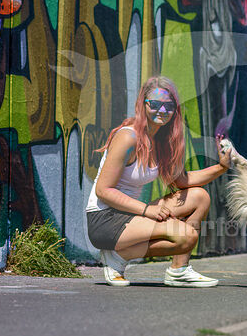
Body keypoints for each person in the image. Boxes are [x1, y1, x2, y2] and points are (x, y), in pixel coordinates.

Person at [85, 76, 231, 287]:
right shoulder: (128, 138)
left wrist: (221, 167)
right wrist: (147, 210)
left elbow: (181, 180)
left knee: (199, 197)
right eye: (154, 104)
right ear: (142, 104)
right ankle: (117, 257)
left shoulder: (161, 140)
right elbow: (103, 190)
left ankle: (179, 270)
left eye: (168, 106)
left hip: (132, 214)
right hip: (104, 219)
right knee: (186, 237)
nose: (162, 111)